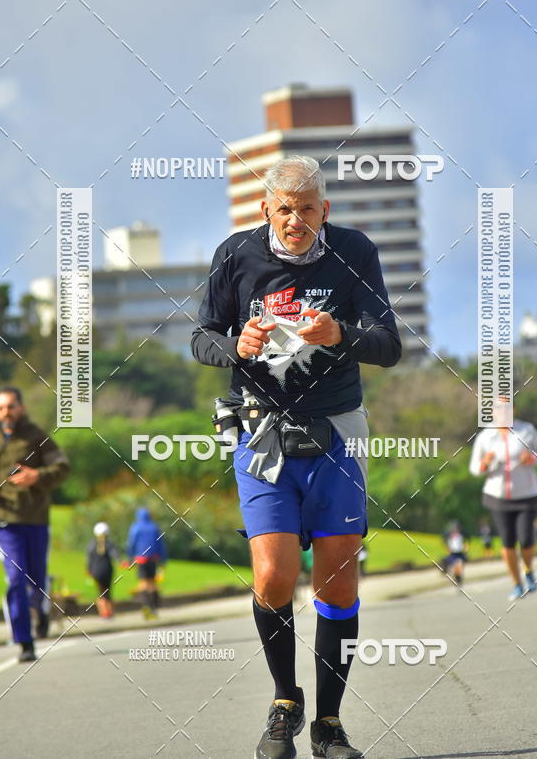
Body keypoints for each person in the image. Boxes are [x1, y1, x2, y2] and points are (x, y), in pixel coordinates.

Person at [192, 155, 402, 759]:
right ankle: (286, 701)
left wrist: (340, 334)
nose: (295, 220)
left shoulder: (354, 252)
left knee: (336, 586)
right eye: (284, 209)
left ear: (325, 211)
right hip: (260, 430)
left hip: (337, 429)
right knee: (273, 576)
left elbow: (389, 345)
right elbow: (200, 337)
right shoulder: (236, 254)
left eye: (307, 208)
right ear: (265, 210)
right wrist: (238, 344)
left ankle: (330, 725)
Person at [0, 386, 69, 662]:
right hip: (3, 519)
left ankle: (41, 610)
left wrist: (37, 476)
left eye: (9, 406)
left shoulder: (37, 437)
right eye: (0, 408)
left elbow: (62, 467)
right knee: (16, 578)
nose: (4, 413)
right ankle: (24, 641)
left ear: (20, 407)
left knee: (36, 578)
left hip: (34, 518)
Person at [470, 400, 537, 601]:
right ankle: (516, 584)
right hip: (497, 497)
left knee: (526, 538)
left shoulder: (527, 430)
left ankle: (529, 572)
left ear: (514, 409)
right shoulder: (485, 436)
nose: (503, 411)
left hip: (526, 494)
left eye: (507, 407)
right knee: (508, 541)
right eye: (498, 408)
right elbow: (475, 468)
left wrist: (531, 458)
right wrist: (485, 464)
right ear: (492, 412)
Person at [126, 507, 166, 619]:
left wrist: (130, 558)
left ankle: (145, 607)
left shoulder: (135, 527)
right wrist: (163, 560)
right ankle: (154, 609)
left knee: (143, 584)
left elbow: (131, 544)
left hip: (141, 559)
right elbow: (161, 545)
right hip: (153, 559)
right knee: (152, 584)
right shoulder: (154, 527)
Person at [86, 521, 119, 618]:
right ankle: (109, 612)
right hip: (108, 571)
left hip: (96, 571)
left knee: (101, 592)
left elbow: (89, 559)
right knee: (108, 592)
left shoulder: (91, 544)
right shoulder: (109, 544)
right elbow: (115, 555)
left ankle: (103, 613)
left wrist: (89, 570)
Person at [442, 521, 467, 588]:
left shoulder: (461, 535)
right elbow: (446, 544)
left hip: (460, 553)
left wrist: (465, 547)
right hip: (453, 554)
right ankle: (457, 580)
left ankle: (459, 581)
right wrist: (448, 549)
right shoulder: (449, 536)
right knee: (456, 568)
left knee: (459, 567)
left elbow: (465, 543)